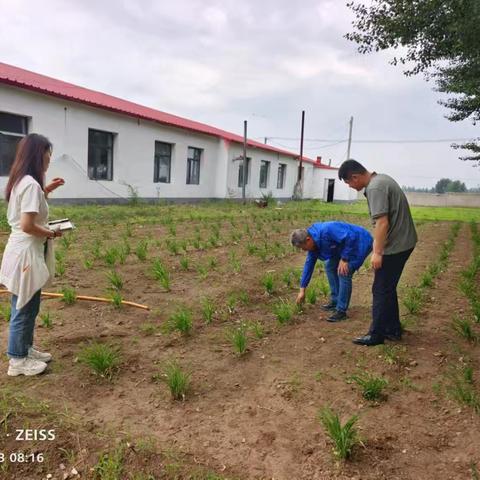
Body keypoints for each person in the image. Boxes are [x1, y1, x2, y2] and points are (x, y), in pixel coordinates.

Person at [0, 133, 65, 376]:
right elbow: (28, 225)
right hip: (26, 252)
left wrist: (46, 190)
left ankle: (24, 348)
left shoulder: (25, 182)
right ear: (38, 155)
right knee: (24, 306)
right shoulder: (29, 184)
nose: (49, 158)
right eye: (48, 153)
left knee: (29, 304)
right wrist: (51, 233)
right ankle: (17, 360)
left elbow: (30, 210)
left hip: (24, 250)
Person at [338, 159, 417, 346]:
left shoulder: (375, 188)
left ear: (355, 177)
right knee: (387, 287)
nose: (350, 186)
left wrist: (377, 252)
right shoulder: (382, 179)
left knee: (380, 289)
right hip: (404, 242)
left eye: (349, 182)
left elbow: (382, 222)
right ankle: (393, 329)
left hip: (396, 246)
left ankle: (376, 334)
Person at [290, 221, 373, 321]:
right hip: (343, 246)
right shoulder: (313, 244)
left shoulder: (328, 229)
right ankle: (335, 300)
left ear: (308, 239)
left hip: (360, 242)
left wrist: (344, 259)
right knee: (329, 265)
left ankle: (341, 311)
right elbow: (309, 265)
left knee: (344, 272)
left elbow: (350, 237)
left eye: (303, 248)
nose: (304, 250)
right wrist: (302, 290)